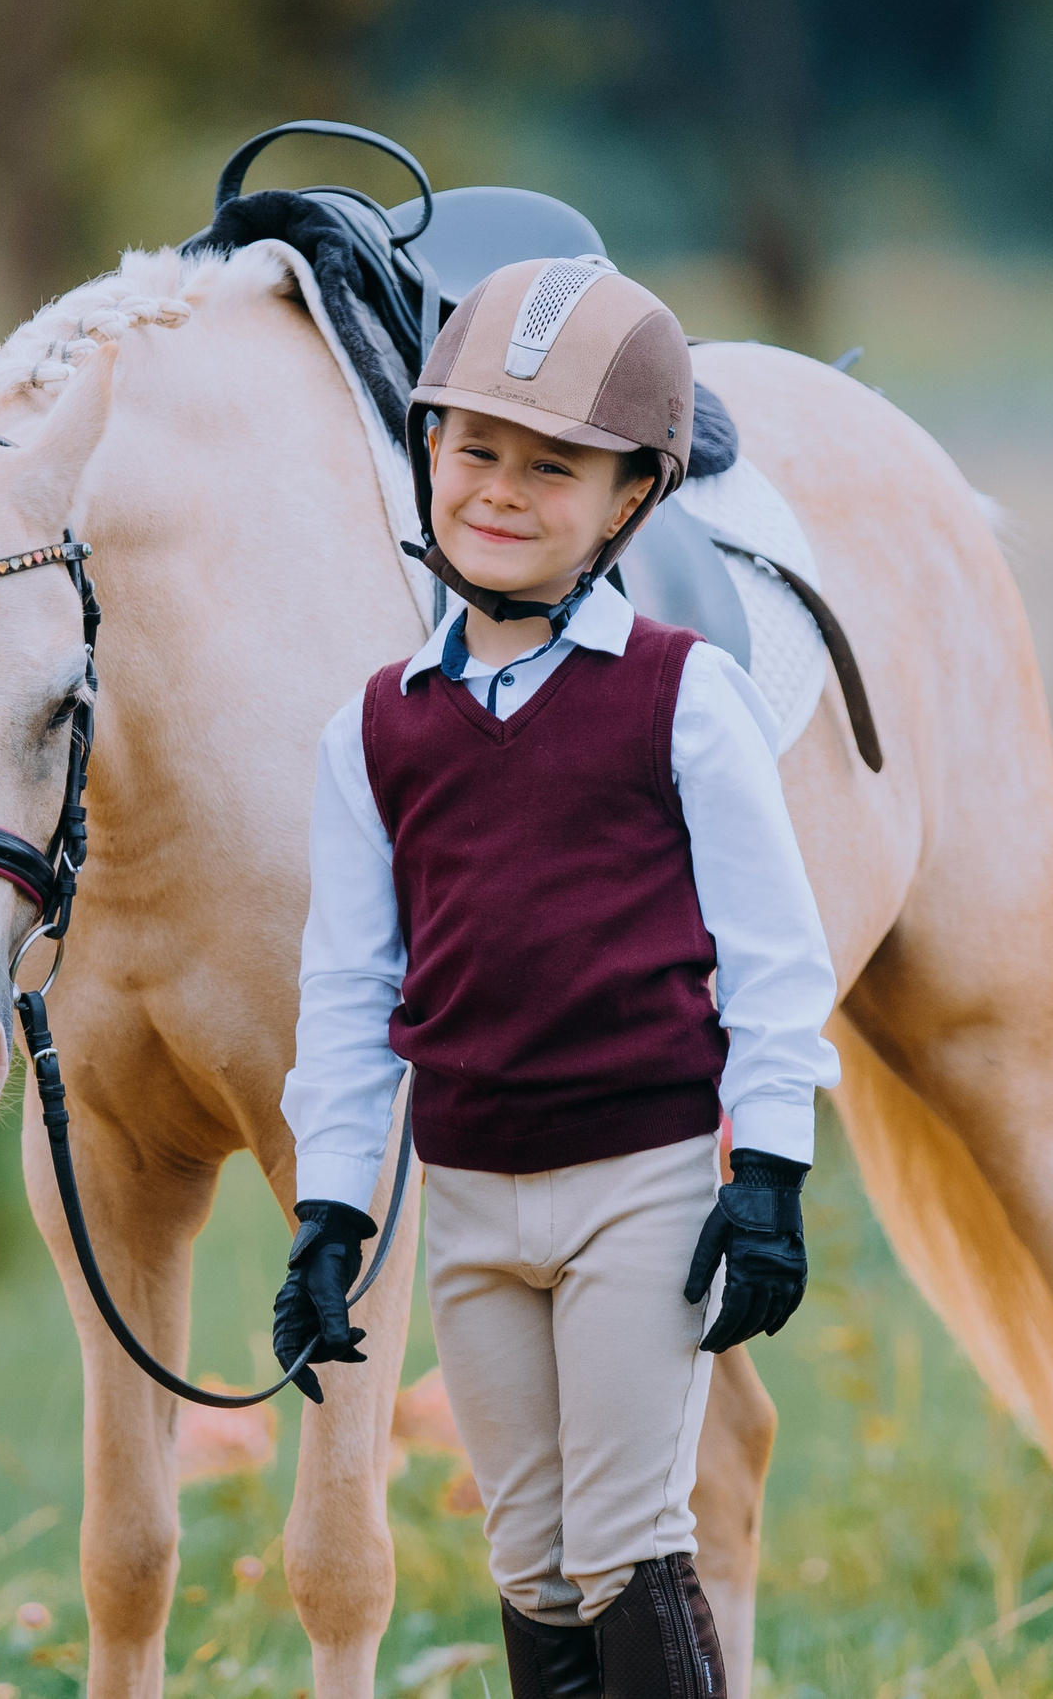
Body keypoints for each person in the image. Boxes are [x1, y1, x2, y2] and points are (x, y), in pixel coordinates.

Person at [272, 256, 840, 1699]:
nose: (503, 492)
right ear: (427, 455)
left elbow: (779, 956)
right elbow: (349, 988)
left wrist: (767, 1170)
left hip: (639, 1183)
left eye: (554, 466)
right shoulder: (376, 733)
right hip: (467, 1199)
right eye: (475, 450)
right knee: (526, 1555)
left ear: (630, 498)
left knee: (629, 1541)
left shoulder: (681, 695)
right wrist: (332, 1207)